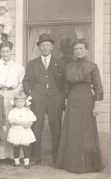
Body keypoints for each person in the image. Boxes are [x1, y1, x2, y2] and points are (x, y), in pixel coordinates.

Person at [56, 38, 104, 173]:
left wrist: (97, 105)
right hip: (72, 100)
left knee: (85, 131)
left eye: (81, 48)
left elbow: (98, 87)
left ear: (86, 50)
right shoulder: (69, 66)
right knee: (72, 130)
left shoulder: (92, 66)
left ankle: (86, 165)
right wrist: (65, 99)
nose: (78, 51)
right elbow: (66, 85)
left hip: (86, 99)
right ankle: (71, 164)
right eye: (76, 49)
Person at [23, 33, 66, 165]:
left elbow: (64, 82)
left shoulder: (59, 62)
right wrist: (31, 94)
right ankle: (36, 158)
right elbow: (26, 81)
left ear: (52, 47)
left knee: (56, 128)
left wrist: (62, 97)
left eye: (47, 45)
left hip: (55, 99)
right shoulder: (32, 64)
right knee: (36, 128)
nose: (45, 47)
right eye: (42, 45)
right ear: (39, 47)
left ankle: (56, 158)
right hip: (38, 99)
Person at [7, 92, 36, 169]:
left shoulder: (27, 111)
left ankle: (26, 162)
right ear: (14, 102)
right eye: (17, 102)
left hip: (25, 132)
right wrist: (20, 122)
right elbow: (11, 121)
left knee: (26, 147)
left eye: (21, 102)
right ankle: (16, 161)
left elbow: (32, 119)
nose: (19, 104)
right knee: (16, 147)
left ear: (25, 102)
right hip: (16, 131)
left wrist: (29, 124)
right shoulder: (13, 111)